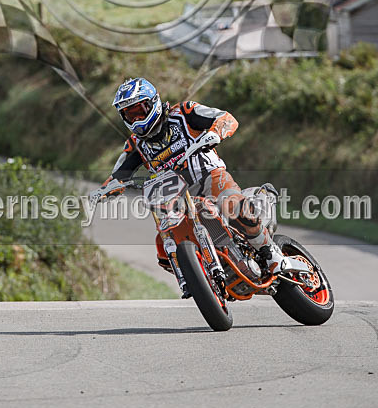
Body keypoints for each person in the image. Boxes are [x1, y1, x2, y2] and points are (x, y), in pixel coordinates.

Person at [90, 77, 286, 273]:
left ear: (153, 103)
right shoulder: (135, 145)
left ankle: (271, 253)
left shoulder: (184, 113)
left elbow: (226, 118)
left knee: (232, 205)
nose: (136, 119)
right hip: (176, 197)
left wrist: (215, 133)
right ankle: (206, 272)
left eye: (138, 111)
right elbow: (118, 175)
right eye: (129, 115)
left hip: (210, 177)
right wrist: (104, 190)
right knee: (164, 246)